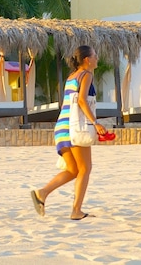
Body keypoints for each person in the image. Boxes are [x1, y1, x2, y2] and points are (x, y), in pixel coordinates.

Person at [30, 45, 113, 220]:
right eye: (95, 55)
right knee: (85, 168)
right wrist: (95, 123)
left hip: (62, 127)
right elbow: (82, 101)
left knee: (74, 169)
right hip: (75, 128)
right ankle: (76, 210)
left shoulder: (71, 77)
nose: (97, 58)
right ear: (87, 60)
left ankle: (42, 193)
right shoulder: (87, 75)